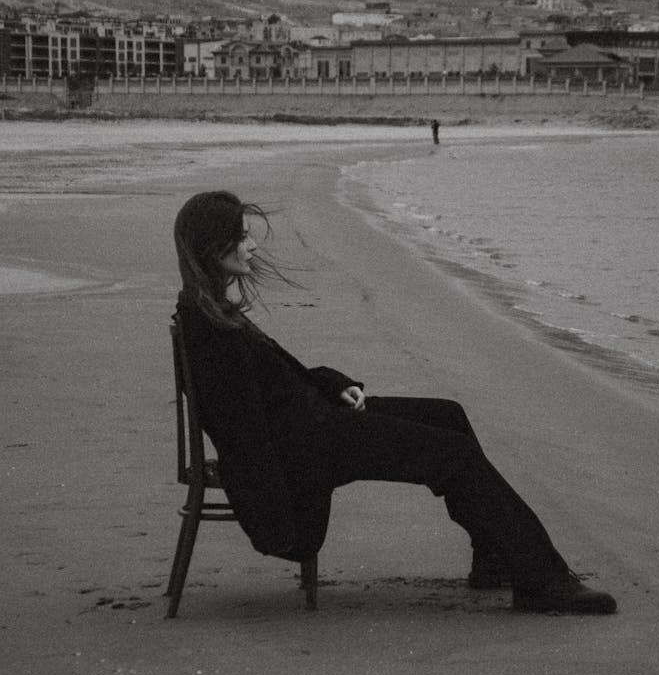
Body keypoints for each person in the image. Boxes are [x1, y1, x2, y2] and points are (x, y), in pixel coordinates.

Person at [173, 191, 616, 615]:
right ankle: (543, 579)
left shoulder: (209, 310)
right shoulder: (211, 329)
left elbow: (279, 380)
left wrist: (335, 385)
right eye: (243, 236)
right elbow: (243, 432)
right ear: (214, 247)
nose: (252, 246)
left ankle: (493, 558)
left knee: (448, 415)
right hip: (312, 445)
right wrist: (278, 519)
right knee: (452, 454)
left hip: (317, 424)